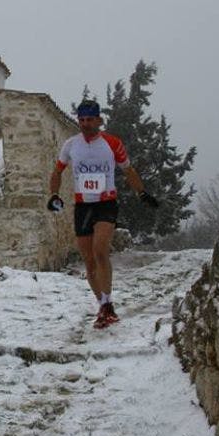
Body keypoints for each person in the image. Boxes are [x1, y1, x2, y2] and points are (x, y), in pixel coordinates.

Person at [47, 101, 159, 329]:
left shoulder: (112, 143)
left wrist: (142, 193)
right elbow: (57, 171)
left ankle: (107, 303)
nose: (85, 124)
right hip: (83, 206)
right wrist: (53, 195)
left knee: (100, 250)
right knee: (88, 262)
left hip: (106, 203)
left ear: (99, 120)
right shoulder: (71, 145)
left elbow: (128, 169)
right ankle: (103, 305)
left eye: (90, 120)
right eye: (81, 120)